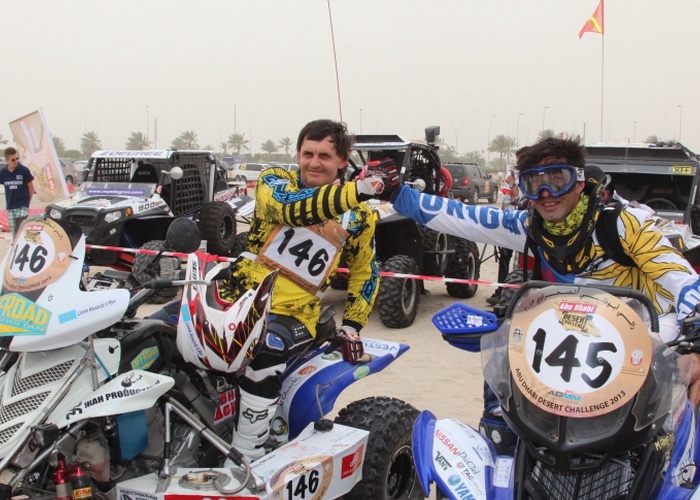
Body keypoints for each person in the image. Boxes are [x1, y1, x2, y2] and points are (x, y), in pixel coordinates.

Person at [387, 135, 700, 452]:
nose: (547, 194)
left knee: (671, 415)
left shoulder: (625, 223)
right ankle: (504, 446)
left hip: (648, 328)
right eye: (534, 184)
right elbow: (461, 217)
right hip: (576, 339)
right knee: (507, 363)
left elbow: (686, 282)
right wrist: (395, 193)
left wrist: (696, 342)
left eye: (558, 180)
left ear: (579, 182)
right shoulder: (530, 226)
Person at [154, 119, 398, 461]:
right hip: (232, 290)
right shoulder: (275, 181)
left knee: (265, 348)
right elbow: (290, 208)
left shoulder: (359, 217)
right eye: (308, 153)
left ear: (343, 160)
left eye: (324, 156)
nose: (314, 162)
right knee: (151, 331)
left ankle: (248, 451)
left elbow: (364, 272)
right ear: (297, 154)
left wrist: (353, 325)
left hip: (291, 314)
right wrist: (359, 189)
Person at [486, 169, 520, 305]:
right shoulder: (509, 177)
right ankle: (500, 292)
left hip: (521, 224)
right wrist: (501, 216)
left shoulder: (524, 180)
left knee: (520, 263)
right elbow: (506, 199)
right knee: (504, 259)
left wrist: (512, 184)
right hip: (507, 223)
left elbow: (520, 199)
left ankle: (517, 293)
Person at [1, 147, 35, 237]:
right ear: (7, 160)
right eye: (13, 160)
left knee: (20, 226)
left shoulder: (24, 170)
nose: (16, 161)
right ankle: (15, 243)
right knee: (14, 231)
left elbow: (31, 187)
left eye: (17, 158)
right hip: (10, 205)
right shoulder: (3, 172)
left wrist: (27, 203)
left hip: (22, 204)